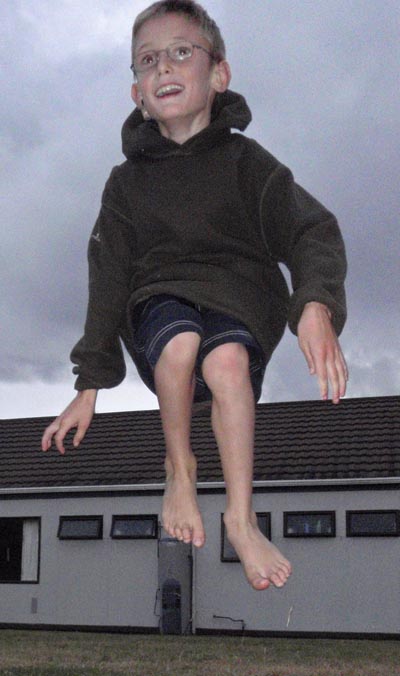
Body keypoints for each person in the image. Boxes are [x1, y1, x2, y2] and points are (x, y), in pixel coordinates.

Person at [42, 0, 348, 591]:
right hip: (160, 295)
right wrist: (89, 384)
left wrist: (315, 304)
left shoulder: (247, 164)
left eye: (182, 52)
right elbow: (107, 277)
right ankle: (180, 469)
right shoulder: (126, 184)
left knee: (227, 361)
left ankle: (241, 516)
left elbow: (311, 229)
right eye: (148, 60)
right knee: (180, 342)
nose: (164, 66)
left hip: (240, 296)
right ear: (137, 93)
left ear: (219, 74)